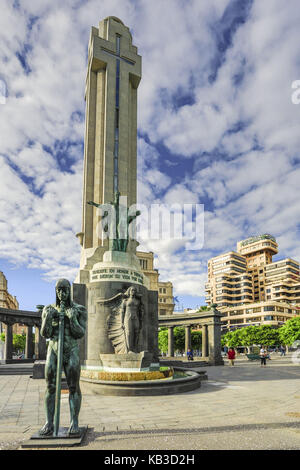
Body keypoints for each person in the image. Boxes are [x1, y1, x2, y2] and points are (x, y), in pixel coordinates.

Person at [39, 278, 87, 436]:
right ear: (55, 291)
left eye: (65, 289)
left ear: (70, 291)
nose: (62, 293)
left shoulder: (79, 309)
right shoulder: (48, 308)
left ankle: (74, 422)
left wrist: (72, 318)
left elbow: (81, 333)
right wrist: (47, 318)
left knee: (73, 387)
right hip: (53, 348)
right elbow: (45, 334)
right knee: (50, 387)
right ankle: (49, 422)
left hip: (71, 349)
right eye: (59, 290)